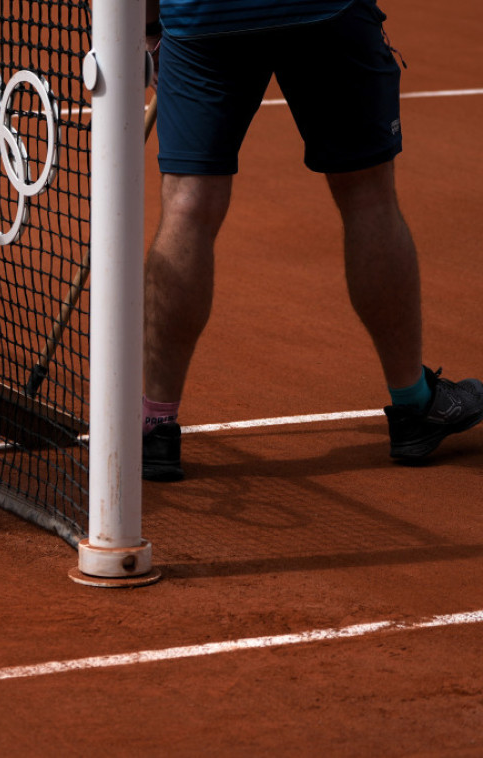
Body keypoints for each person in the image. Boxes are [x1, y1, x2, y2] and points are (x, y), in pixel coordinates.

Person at [141, 0, 483, 481]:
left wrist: (150, 27)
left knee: (187, 207)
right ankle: (414, 406)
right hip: (324, 9)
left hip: (203, 17)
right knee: (368, 198)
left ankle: (155, 427)